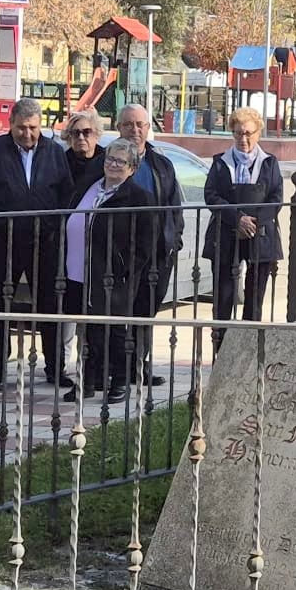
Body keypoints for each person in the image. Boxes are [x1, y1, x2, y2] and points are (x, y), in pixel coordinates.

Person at [0, 96, 73, 393]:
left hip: (45, 241)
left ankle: (55, 367)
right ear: (10, 124)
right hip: (4, 241)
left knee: (51, 306)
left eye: (32, 128)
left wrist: (55, 228)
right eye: (20, 128)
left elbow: (65, 193)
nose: (27, 134)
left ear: (40, 125)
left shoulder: (54, 152)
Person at [64, 138, 156, 402]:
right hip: (78, 269)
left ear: (132, 168)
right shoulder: (90, 187)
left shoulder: (138, 198)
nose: (113, 165)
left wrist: (123, 268)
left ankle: (120, 381)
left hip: (112, 275)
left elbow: (145, 242)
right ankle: (88, 381)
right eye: (110, 159)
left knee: (114, 330)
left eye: (120, 161)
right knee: (87, 328)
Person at [113, 102, 183, 385]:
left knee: (146, 310)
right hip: (120, 252)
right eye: (128, 124)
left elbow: (174, 205)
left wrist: (173, 239)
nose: (135, 130)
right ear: (119, 128)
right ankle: (118, 368)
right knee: (119, 312)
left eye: (140, 124)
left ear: (148, 128)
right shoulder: (110, 161)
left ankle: (139, 366)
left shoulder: (161, 163)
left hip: (157, 252)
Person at [204, 105, 284, 347]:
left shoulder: (269, 163)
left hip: (261, 237)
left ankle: (249, 356)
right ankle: (221, 355)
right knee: (223, 299)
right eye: (238, 133)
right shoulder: (220, 163)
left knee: (254, 301)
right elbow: (212, 195)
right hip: (225, 236)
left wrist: (252, 222)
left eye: (248, 133)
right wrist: (236, 218)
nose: (243, 138)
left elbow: (275, 198)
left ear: (258, 133)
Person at [61, 109, 105, 192]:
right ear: (70, 137)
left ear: (97, 135)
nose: (81, 137)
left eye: (86, 132)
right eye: (75, 133)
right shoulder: (61, 163)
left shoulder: (108, 162)